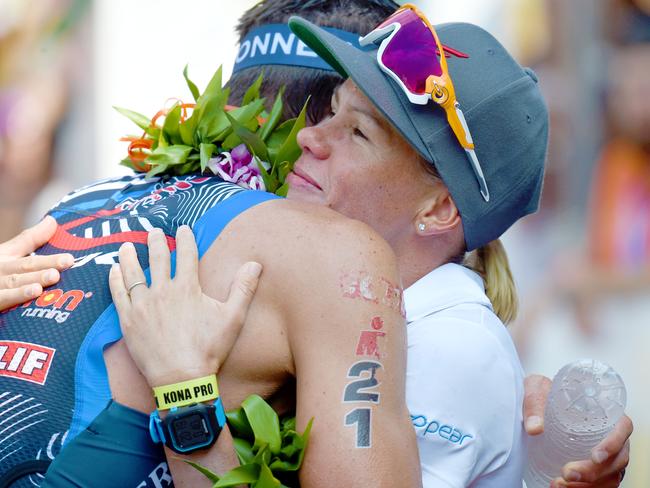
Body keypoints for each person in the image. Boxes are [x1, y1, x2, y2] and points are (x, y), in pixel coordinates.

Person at [0, 1, 631, 487]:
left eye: (356, 133)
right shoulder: (331, 281)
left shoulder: (443, 337)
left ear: (439, 207)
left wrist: (185, 390)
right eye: (325, 111)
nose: (304, 139)